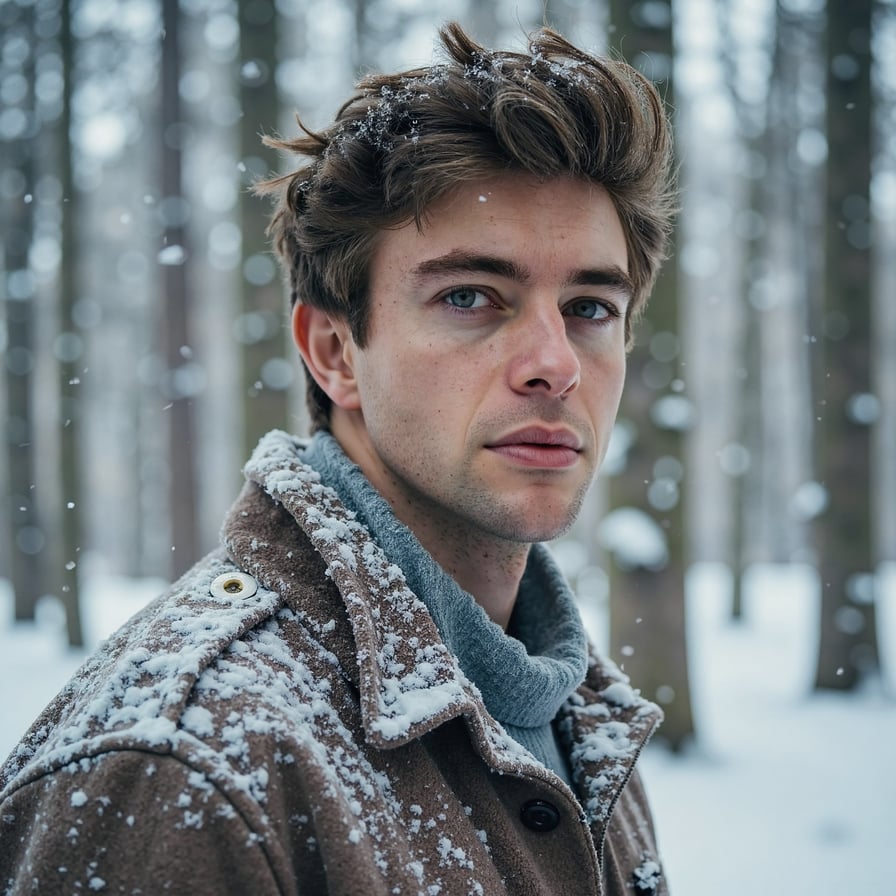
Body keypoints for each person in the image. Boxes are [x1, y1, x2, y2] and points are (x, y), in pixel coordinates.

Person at [0, 21, 675, 896]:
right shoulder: (190, 763)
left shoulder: (577, 709)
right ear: (333, 352)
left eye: (589, 306)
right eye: (471, 296)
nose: (554, 363)